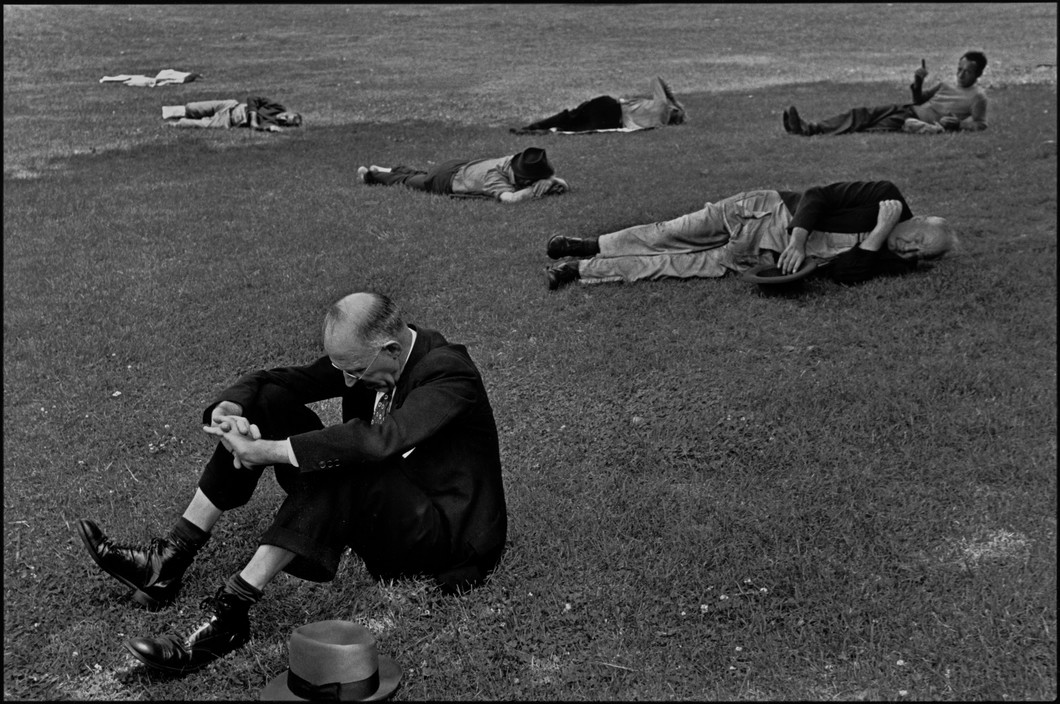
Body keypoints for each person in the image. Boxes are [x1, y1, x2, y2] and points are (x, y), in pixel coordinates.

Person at [77, 292, 507, 674]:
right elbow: (275, 380)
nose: (347, 382)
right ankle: (170, 557)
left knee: (347, 457)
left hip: (443, 536)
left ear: (392, 350)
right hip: (385, 506)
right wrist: (231, 410)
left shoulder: (449, 372)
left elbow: (380, 442)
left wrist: (269, 451)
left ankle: (231, 611)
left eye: (355, 372)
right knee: (269, 403)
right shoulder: (366, 360)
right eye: (341, 370)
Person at [543, 181, 957, 290]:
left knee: (672, 265)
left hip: (761, 256)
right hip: (760, 210)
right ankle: (590, 245)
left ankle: (578, 269)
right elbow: (817, 195)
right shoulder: (884, 194)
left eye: (921, 254)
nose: (910, 248)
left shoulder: (893, 257)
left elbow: (845, 275)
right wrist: (798, 240)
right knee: (667, 233)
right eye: (918, 238)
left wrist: (880, 234)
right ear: (919, 219)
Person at [783, 51, 988, 136]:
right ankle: (810, 127)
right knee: (861, 114)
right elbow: (918, 99)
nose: (960, 74)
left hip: (915, 121)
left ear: (978, 74)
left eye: (967, 72)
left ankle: (808, 131)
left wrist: (959, 125)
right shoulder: (946, 84)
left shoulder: (978, 96)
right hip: (908, 109)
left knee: (870, 127)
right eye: (959, 69)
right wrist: (918, 82)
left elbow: (980, 124)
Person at [356, 147, 568, 204]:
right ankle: (371, 176)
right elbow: (510, 199)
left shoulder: (515, 160)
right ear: (525, 179)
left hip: (460, 167)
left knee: (419, 174)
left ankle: (386, 168)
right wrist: (534, 190)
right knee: (409, 181)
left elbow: (562, 184)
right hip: (445, 179)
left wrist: (550, 180)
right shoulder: (495, 177)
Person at [512, 76, 686, 134]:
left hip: (609, 107)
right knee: (570, 127)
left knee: (569, 116)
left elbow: (656, 79)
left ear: (674, 109)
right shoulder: (660, 124)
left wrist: (673, 100)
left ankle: (533, 127)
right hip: (612, 122)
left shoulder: (663, 105)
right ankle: (534, 131)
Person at [161, 96, 302, 132]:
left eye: (286, 122)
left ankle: (174, 125)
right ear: (288, 111)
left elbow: (257, 128)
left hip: (229, 120)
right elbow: (253, 99)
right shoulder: (277, 107)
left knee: (199, 124)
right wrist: (253, 118)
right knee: (193, 107)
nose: (283, 118)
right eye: (286, 116)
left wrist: (268, 128)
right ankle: (168, 112)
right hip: (231, 105)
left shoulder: (272, 124)